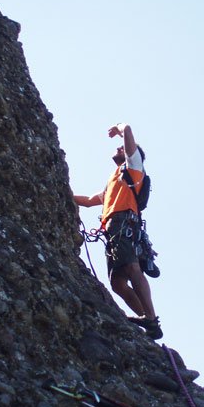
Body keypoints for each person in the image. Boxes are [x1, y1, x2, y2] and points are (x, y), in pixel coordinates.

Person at [73, 123, 163, 340]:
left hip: (124, 223)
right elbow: (87, 201)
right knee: (117, 282)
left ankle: (150, 317)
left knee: (132, 269)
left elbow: (129, 130)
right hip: (113, 228)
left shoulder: (134, 168)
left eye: (123, 148)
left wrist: (120, 128)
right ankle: (146, 318)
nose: (120, 149)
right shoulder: (114, 180)